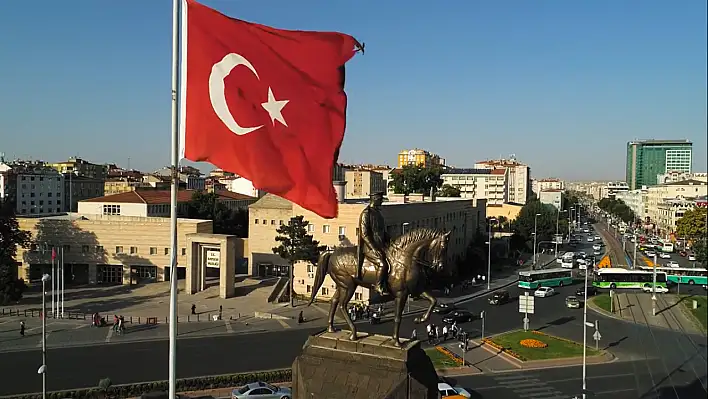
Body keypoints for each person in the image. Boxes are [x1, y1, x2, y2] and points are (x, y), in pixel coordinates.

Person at [357, 191, 391, 296]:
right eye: (380, 200)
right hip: (370, 247)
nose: (381, 202)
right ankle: (378, 285)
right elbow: (364, 234)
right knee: (383, 264)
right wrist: (373, 248)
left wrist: (390, 240)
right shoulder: (366, 213)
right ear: (375, 199)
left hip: (382, 245)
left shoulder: (378, 213)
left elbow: (382, 231)